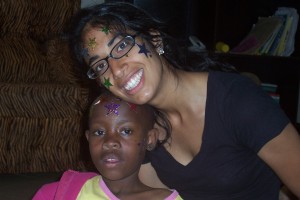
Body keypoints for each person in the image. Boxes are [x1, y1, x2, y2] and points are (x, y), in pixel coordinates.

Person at [67, 2, 300, 199]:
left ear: (155, 40)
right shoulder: (138, 126)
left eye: (122, 46)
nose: (116, 71)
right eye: (100, 65)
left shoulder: (237, 100)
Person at [33, 92, 182, 200]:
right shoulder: (57, 193)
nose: (110, 141)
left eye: (126, 131)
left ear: (149, 139)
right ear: (88, 138)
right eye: (99, 132)